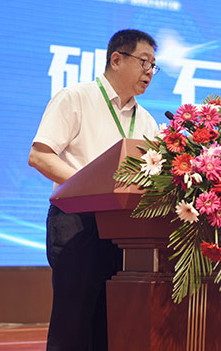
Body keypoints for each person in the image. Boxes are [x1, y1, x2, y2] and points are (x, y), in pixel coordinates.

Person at [28, 29, 159, 351]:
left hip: (125, 230)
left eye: (154, 66)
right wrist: (93, 187)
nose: (149, 71)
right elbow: (40, 156)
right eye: (144, 62)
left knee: (111, 323)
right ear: (116, 59)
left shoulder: (147, 121)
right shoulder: (76, 98)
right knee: (73, 322)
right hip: (77, 222)